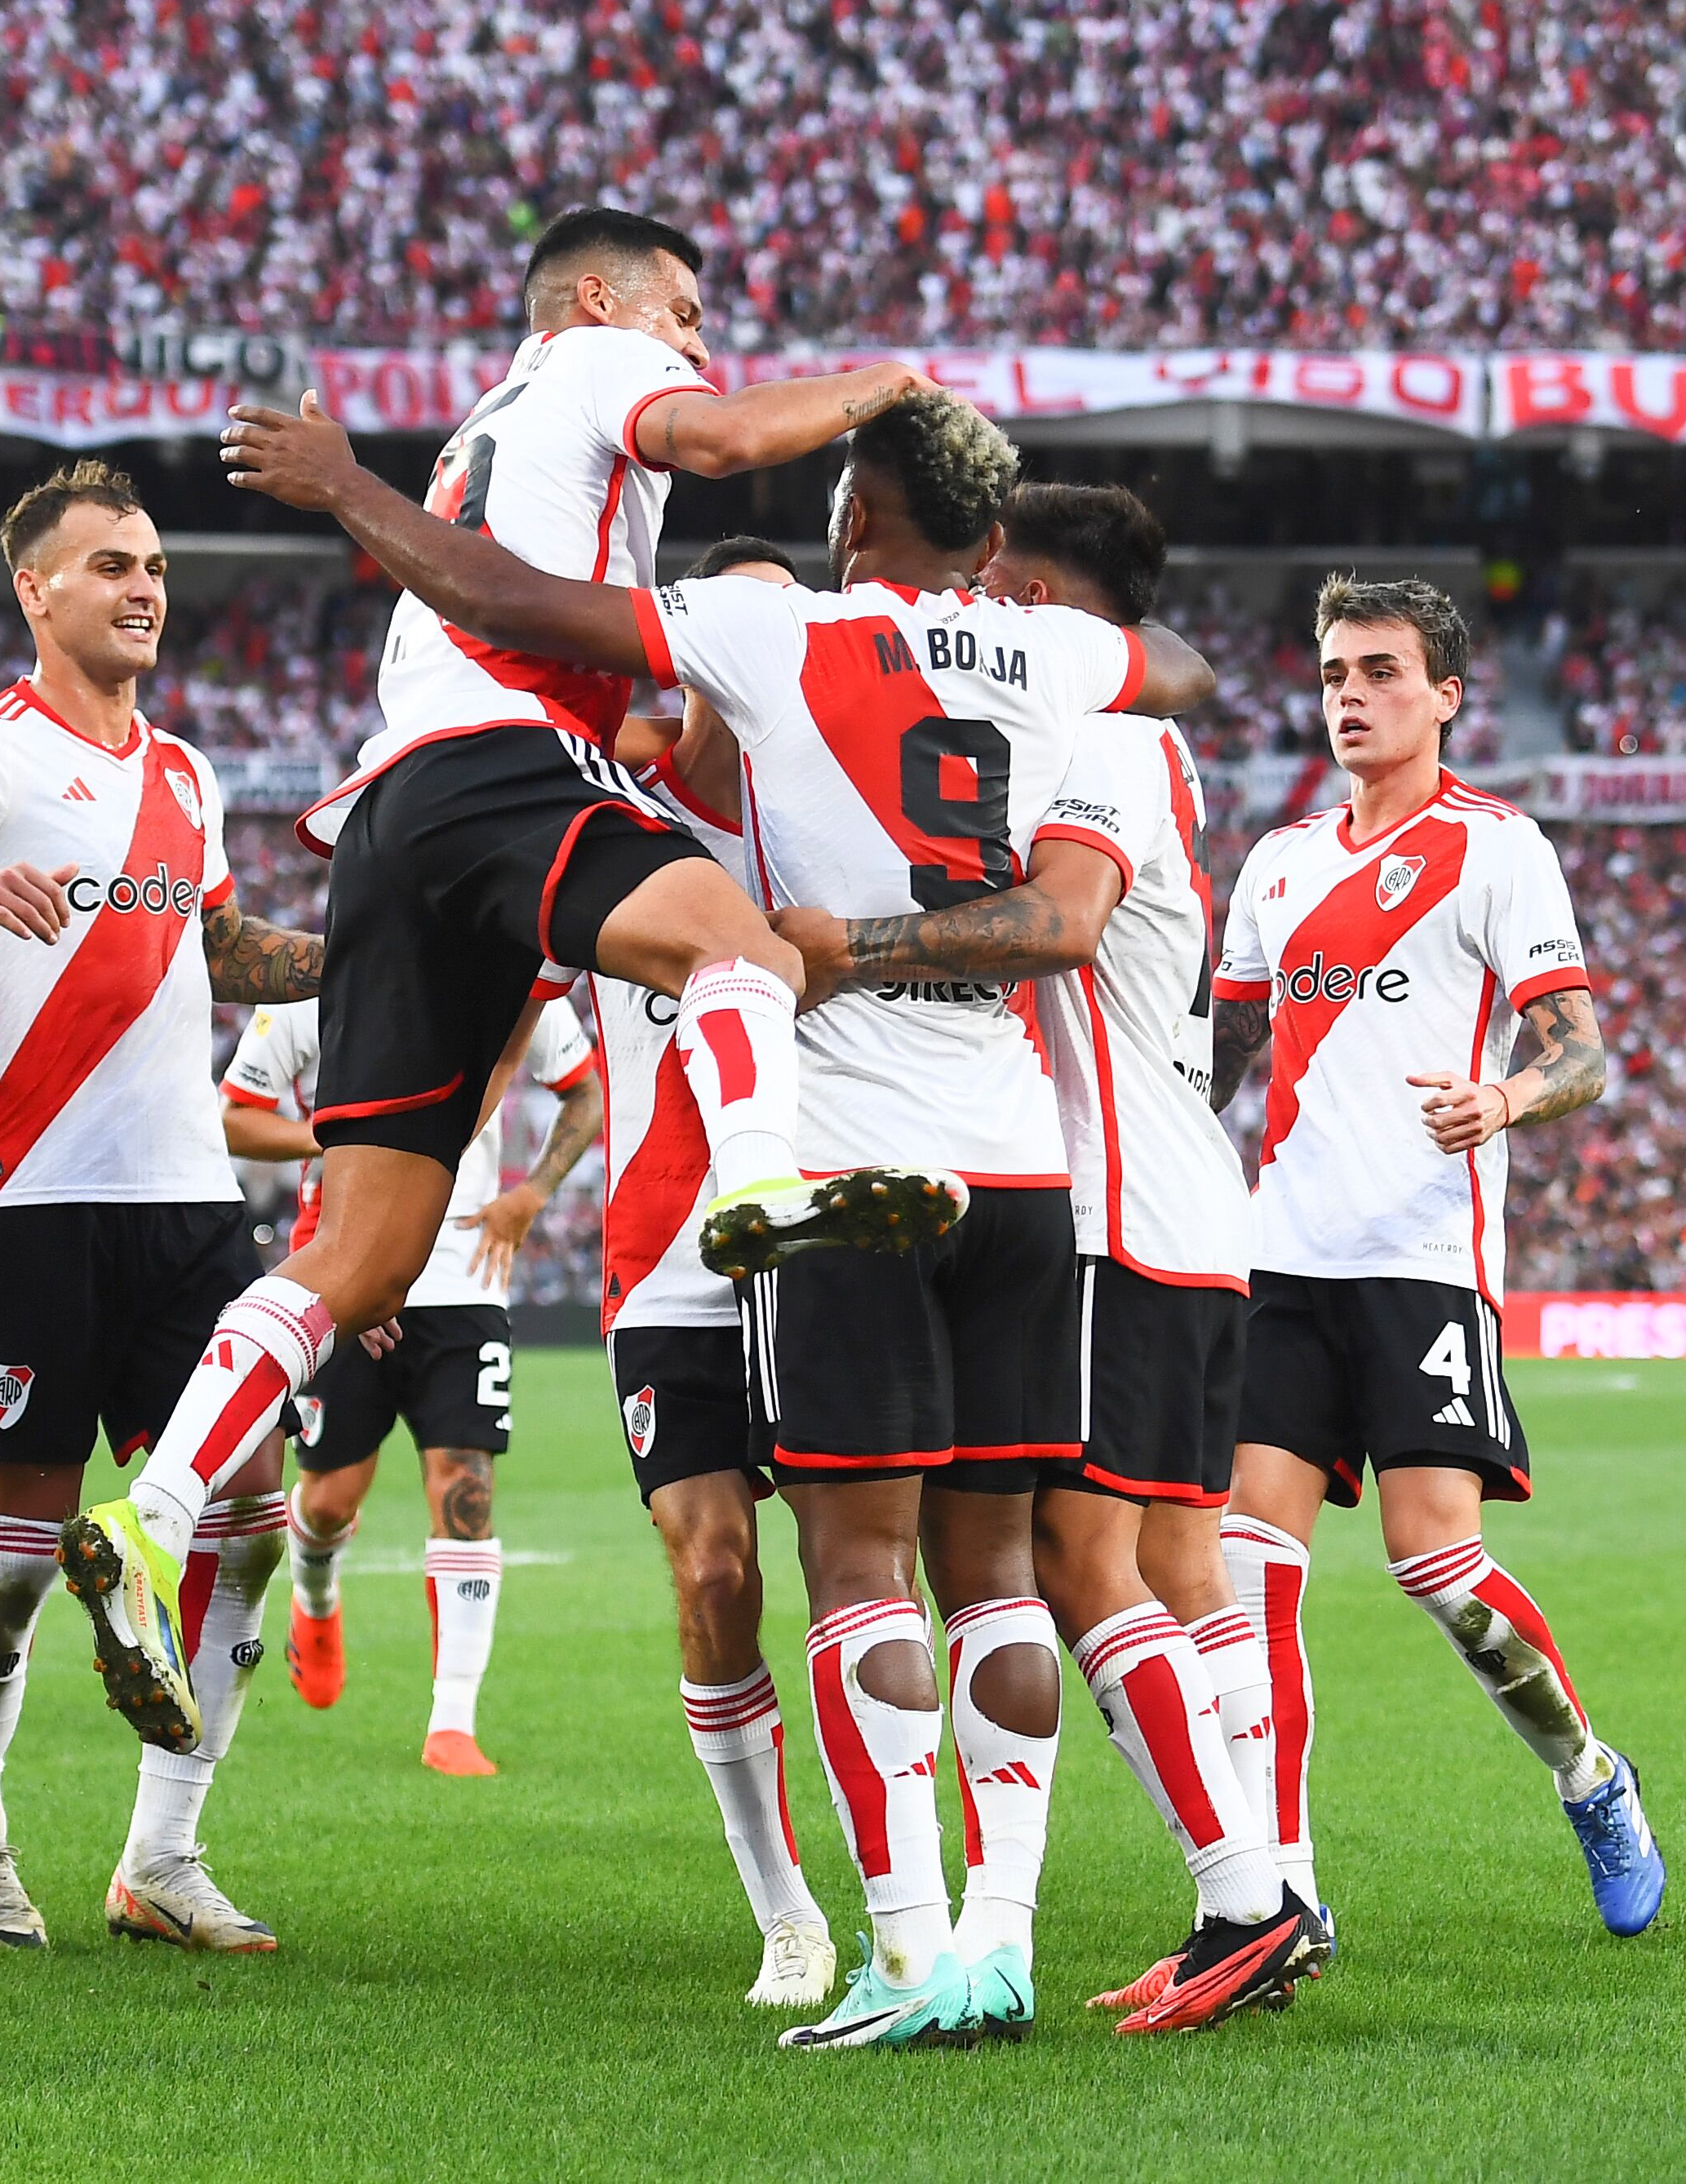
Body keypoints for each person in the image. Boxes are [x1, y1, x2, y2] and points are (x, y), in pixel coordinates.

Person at [221, 379, 1217, 2050]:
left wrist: (346, 489)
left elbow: (511, 602)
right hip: (986, 1168)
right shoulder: (1026, 659)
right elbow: (1172, 668)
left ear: (851, 524)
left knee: (858, 1568)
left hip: (834, 1178)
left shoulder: (781, 651)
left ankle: (910, 1958)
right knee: (969, 1571)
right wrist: (1016, 636)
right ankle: (977, 1941)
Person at [61, 209, 973, 1757]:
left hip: (392, 813)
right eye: (686, 313)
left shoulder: (487, 423)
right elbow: (731, 438)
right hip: (504, 761)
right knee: (745, 949)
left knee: (361, 1254)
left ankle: (151, 1512)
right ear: (603, 298)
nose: (698, 344)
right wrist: (892, 377)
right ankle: (760, 1182)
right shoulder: (595, 364)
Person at [774, 483, 1309, 2033]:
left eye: (1003, 589)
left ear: (1047, 603)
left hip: (1112, 1212)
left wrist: (847, 948)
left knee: (1070, 1568)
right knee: (1166, 1573)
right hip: (1169, 1204)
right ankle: (1251, 1896)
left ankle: (1245, 1897)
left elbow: (1055, 922)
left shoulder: (1103, 740)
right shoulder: (1126, 736)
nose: (977, 610)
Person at [0, 463, 327, 1957]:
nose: (143, 587)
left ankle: (162, 1857)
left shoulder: (186, 774)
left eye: (152, 564)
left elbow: (214, 947)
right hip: (24, 1203)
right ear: (35, 589)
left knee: (252, 1518)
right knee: (23, 1555)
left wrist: (367, 951)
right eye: (110, 565)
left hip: (187, 1204)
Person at [1207, 574, 1665, 1942]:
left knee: (1437, 1570)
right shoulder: (1277, 862)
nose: (1350, 696)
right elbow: (1219, 1055)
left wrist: (1503, 1098)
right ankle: (1282, 1888)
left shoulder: (1497, 848)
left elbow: (1580, 1051)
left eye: (1381, 672)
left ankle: (1589, 1776)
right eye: (1334, 673)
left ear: (1445, 695)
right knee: (1245, 1565)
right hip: (1282, 1260)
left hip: (1421, 1257)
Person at [594, 533, 836, 2011]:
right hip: (667, 1259)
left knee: (869, 1568)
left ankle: (914, 1888)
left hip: (825, 1240)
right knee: (714, 1569)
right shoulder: (604, 815)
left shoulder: (840, 816)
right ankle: (784, 1912)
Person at [220, 992, 598, 1776]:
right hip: (344, 1274)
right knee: (328, 1500)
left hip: (465, 1282)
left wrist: (530, 1194)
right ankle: (315, 1595)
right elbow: (235, 1117)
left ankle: (452, 1722)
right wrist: (331, 1141)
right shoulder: (316, 984)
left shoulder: (507, 973)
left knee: (465, 1487)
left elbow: (585, 1091)